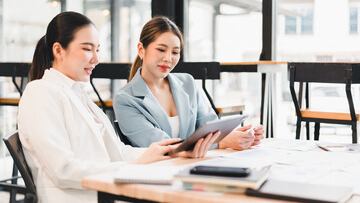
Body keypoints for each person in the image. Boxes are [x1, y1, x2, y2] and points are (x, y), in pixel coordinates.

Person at [18, 12, 220, 203]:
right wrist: (133, 166)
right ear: (58, 50)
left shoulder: (79, 96)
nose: (96, 59)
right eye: (87, 49)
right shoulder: (40, 93)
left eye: (97, 50)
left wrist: (162, 152)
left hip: (106, 194)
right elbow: (64, 170)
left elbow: (117, 151)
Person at [113, 16, 264, 149]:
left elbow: (211, 125)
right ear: (141, 49)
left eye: (175, 52)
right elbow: (162, 146)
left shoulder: (187, 83)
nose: (168, 58)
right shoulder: (125, 99)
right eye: (161, 49)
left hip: (194, 167)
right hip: (157, 173)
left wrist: (239, 135)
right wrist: (221, 142)